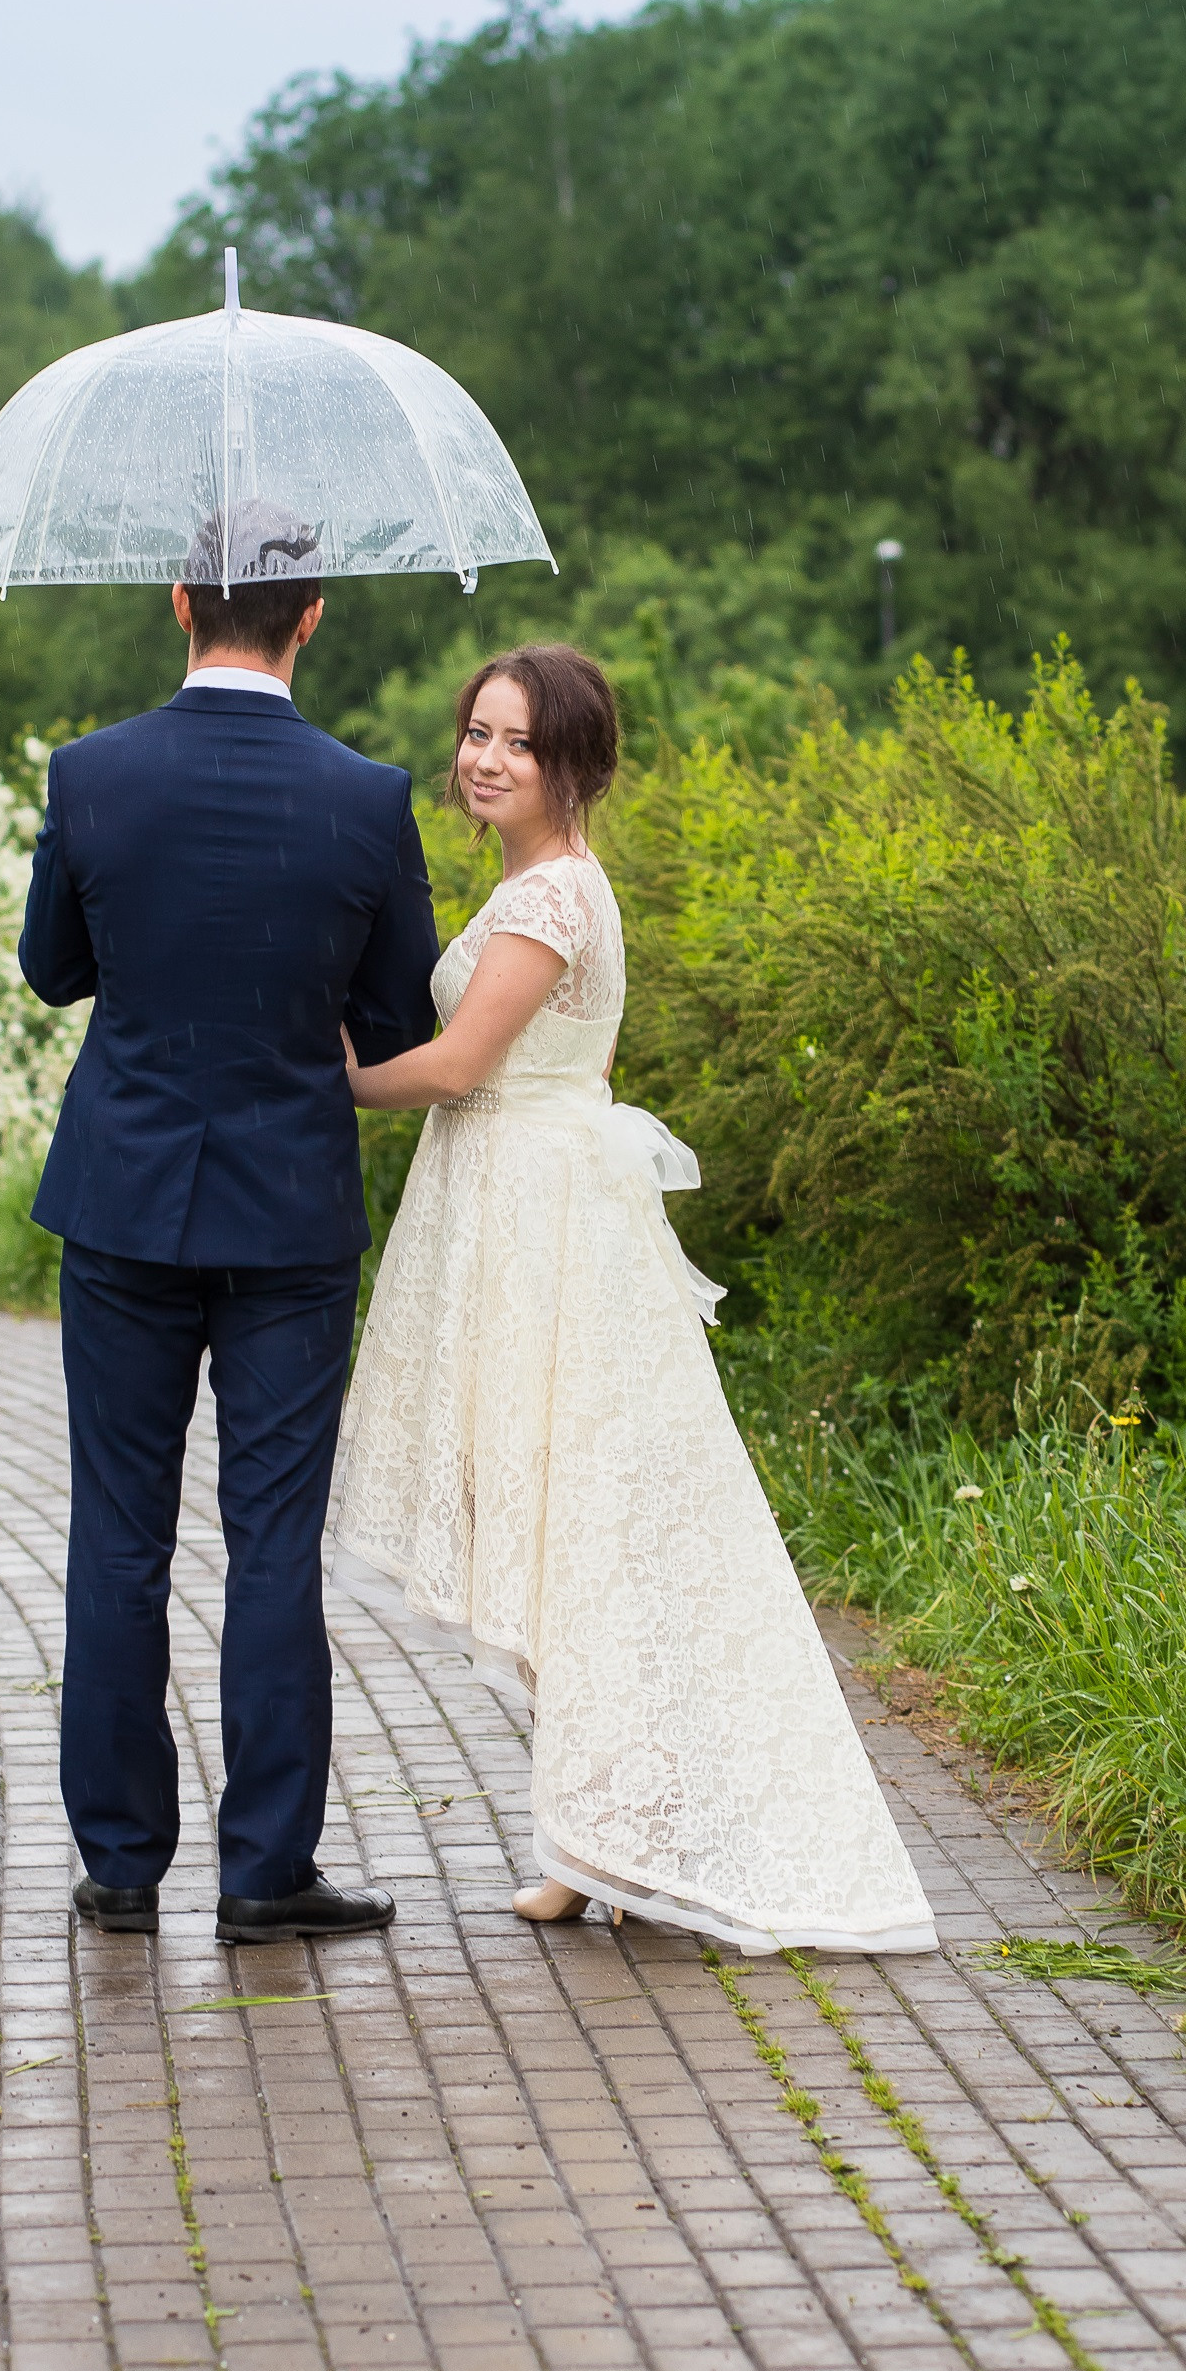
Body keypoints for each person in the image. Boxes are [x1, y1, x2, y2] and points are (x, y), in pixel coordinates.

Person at [333, 644, 937, 1956]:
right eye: (477, 733)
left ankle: (601, 1833)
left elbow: (458, 1065)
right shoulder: (546, 884)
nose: (485, 758)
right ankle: (590, 1828)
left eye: (518, 743)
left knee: (575, 1518)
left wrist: (321, 1077)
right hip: (529, 1201)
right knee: (559, 1519)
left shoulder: (553, 899)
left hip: (539, 1217)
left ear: (574, 765)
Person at [18, 499, 438, 1944]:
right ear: (312, 615)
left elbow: (51, 969)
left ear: (180, 598)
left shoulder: (92, 775)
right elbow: (394, 1015)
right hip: (289, 1218)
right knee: (274, 1545)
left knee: (119, 1537)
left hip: (125, 1205)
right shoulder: (368, 799)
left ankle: (122, 1865)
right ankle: (267, 1873)